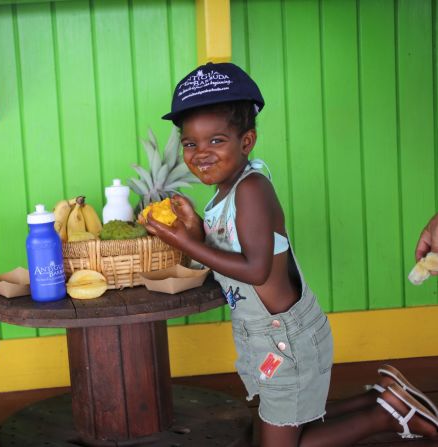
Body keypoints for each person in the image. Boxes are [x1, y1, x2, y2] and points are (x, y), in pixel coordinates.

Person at [143, 62, 438, 446]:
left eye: (216, 140)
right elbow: (235, 249)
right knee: (288, 420)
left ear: (246, 141)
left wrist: (186, 243)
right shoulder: (225, 192)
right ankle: (382, 401)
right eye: (190, 143)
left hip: (287, 342)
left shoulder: (251, 190)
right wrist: (198, 228)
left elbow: (256, 268)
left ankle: (383, 416)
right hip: (271, 339)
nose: (201, 154)